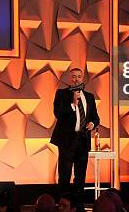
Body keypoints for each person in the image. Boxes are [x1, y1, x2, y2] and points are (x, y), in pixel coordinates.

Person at [51, 67, 100, 197]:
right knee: (65, 173)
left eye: (79, 76)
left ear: (82, 78)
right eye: (73, 76)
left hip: (83, 139)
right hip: (67, 140)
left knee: (80, 174)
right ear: (69, 78)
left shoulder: (89, 97)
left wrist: (93, 123)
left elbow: (96, 117)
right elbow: (58, 114)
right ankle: (64, 203)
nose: (76, 79)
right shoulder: (61, 93)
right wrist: (73, 103)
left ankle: (78, 204)